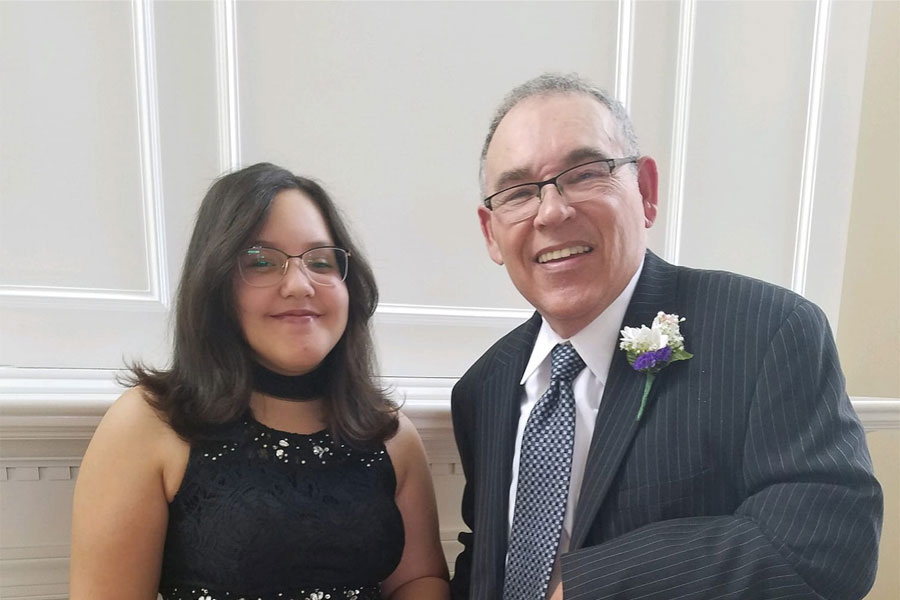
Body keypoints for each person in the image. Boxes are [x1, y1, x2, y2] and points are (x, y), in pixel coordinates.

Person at [450, 74, 882, 600]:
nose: (552, 211)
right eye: (518, 193)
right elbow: (486, 558)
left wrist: (588, 587)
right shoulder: (482, 388)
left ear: (646, 193)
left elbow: (826, 543)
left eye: (585, 174)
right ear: (491, 233)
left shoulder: (769, 331)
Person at [70, 163, 450, 600]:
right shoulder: (147, 422)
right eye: (261, 262)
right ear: (215, 284)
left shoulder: (391, 434)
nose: (299, 285)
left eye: (320, 261)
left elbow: (419, 579)